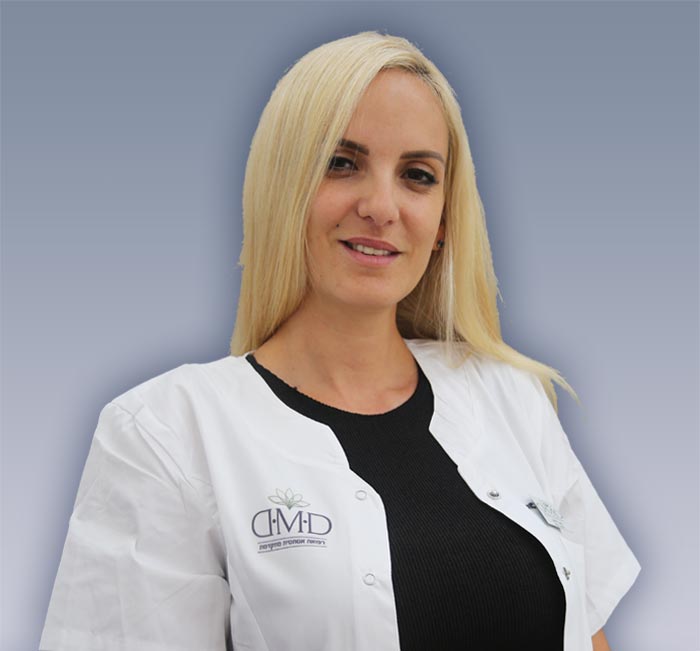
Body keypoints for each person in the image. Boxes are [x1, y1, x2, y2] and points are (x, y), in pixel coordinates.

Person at [39, 31, 640, 651]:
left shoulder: (510, 397)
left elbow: (589, 633)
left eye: (417, 176)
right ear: (283, 185)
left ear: (442, 221)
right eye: (342, 163)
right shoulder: (166, 435)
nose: (382, 207)